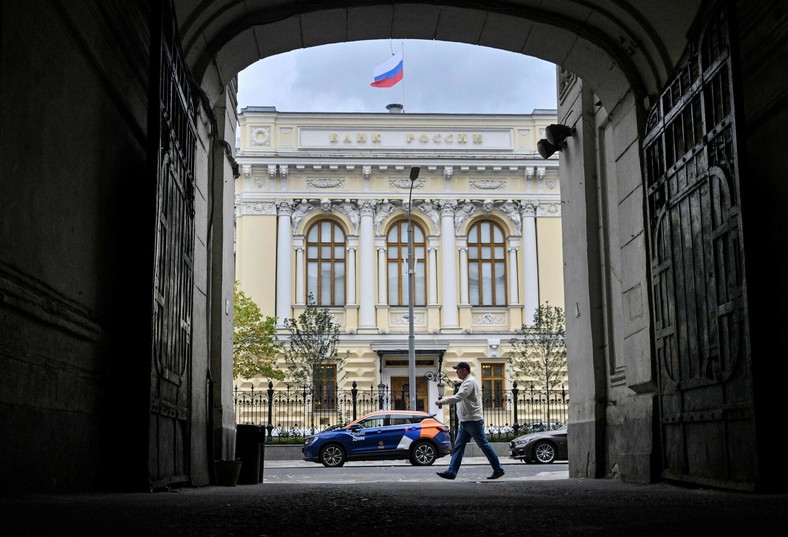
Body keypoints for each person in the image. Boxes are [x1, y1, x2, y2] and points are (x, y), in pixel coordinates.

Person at [435, 361, 505, 480]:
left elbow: (459, 397)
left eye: (458, 370)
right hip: (466, 421)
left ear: (464, 370)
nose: (456, 372)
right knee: (458, 446)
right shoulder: (466, 382)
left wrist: (442, 401)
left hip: (473, 420)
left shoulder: (469, 382)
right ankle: (451, 472)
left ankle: (498, 469)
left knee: (483, 445)